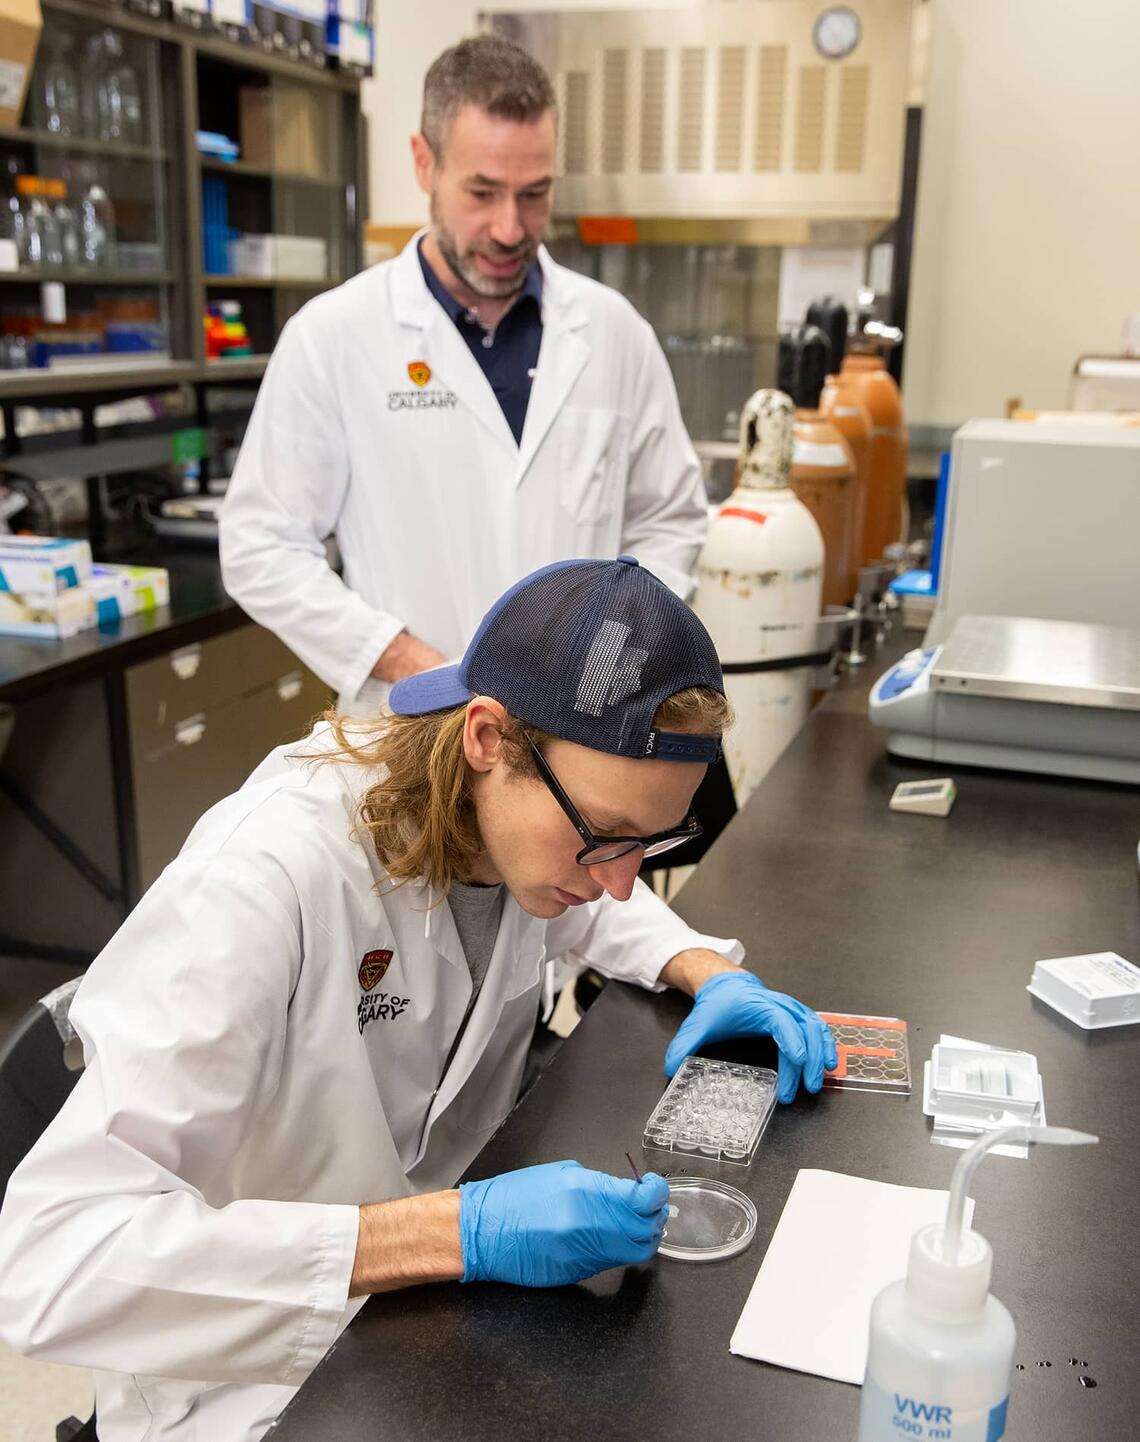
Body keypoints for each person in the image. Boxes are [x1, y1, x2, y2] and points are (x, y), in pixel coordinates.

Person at [0, 557, 836, 1442]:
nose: (624, 884)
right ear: (487, 738)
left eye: (651, 842)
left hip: (418, 1327)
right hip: (246, 1385)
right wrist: (452, 1233)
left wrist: (704, 967)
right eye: (608, 837)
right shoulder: (262, 878)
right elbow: (48, 1264)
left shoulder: (516, 834)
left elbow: (586, 908)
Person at [219, 35, 709, 714]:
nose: (510, 228)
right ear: (424, 163)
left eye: (535, 195)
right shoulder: (334, 337)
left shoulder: (613, 332)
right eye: (482, 192)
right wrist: (414, 663)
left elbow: (670, 519)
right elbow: (260, 546)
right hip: (412, 726)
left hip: (574, 731)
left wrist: (606, 655)